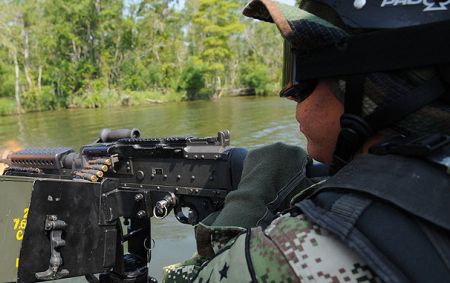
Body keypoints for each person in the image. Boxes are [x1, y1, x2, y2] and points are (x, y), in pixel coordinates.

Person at [163, 0, 450, 282]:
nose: (289, 94)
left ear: (363, 86)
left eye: (301, 75)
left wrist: (251, 199)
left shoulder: (309, 247)